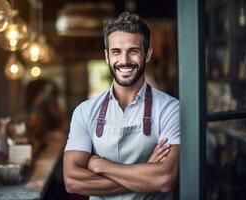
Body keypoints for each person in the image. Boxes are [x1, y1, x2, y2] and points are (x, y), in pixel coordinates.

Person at [63, 11, 180, 200]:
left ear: (147, 54)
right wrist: (147, 174)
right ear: (107, 56)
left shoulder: (170, 109)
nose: (124, 61)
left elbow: (165, 178)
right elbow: (72, 181)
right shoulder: (84, 112)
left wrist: (102, 166)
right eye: (116, 51)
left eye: (133, 51)